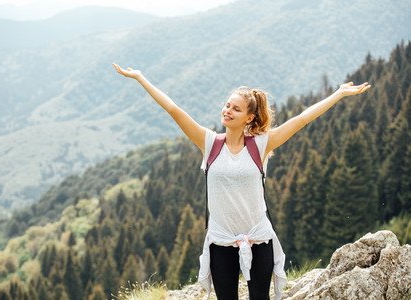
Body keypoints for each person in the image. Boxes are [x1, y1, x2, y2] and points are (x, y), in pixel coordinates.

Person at [112, 63, 370, 300]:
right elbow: (173, 109)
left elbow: (301, 119)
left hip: (258, 237)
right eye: (227, 105)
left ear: (249, 118)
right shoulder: (209, 142)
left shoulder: (260, 145)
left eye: (236, 109)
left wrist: (337, 94)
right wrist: (139, 78)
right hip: (221, 239)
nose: (228, 111)